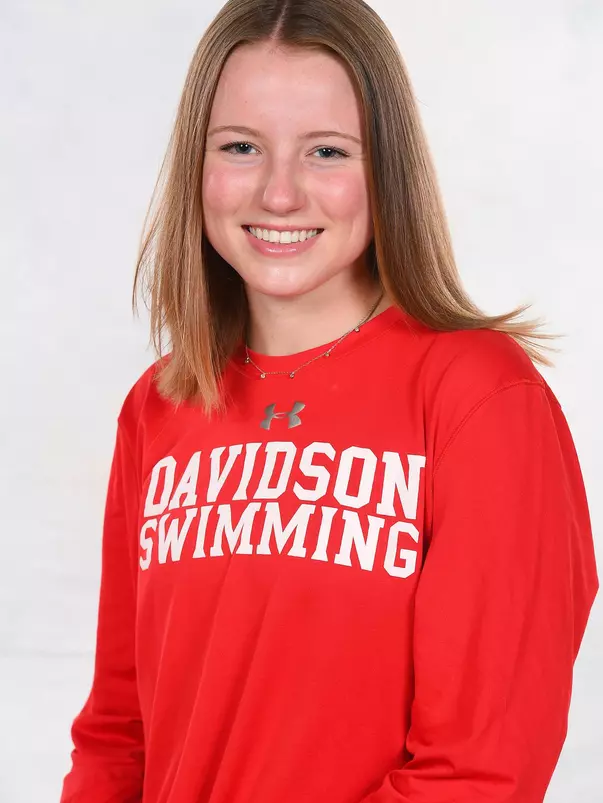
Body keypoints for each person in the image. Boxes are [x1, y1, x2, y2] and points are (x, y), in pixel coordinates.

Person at [59, 0, 599, 801]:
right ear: (195, 167)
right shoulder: (161, 404)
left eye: (326, 151)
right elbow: (118, 732)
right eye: (240, 146)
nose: (279, 194)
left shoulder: (480, 395)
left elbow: (479, 770)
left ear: (386, 171)